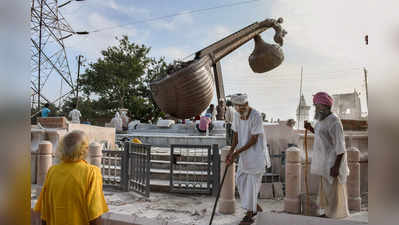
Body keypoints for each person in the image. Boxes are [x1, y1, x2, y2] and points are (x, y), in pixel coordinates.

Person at [34, 130, 109, 225]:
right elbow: (95, 213)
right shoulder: (92, 172)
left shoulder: (52, 171)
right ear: (84, 149)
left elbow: (44, 211)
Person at [226, 93, 271, 225]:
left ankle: (249, 215)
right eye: (237, 107)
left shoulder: (256, 115)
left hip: (256, 157)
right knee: (240, 182)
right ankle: (256, 209)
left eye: (241, 107)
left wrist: (236, 152)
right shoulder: (236, 115)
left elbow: (254, 139)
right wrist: (231, 151)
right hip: (245, 157)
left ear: (246, 105)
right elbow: (235, 134)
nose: (239, 110)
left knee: (251, 187)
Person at [304, 91, 350, 219]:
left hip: (332, 162)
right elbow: (322, 136)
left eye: (318, 106)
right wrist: (310, 128)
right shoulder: (321, 121)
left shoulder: (334, 122)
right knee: (327, 191)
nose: (316, 109)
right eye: (315, 106)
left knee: (334, 191)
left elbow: (340, 148)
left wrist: (336, 166)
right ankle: (329, 213)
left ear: (325, 107)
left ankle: (334, 216)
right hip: (323, 163)